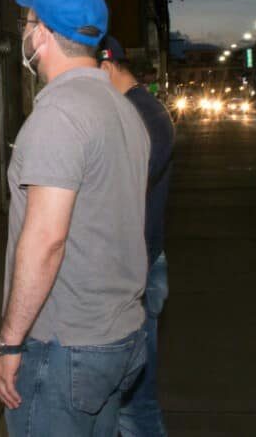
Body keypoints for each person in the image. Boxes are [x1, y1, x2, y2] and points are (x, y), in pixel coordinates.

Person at [0, 0, 150, 435]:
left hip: (65, 346)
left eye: (28, 23)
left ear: (42, 34)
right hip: (119, 336)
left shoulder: (58, 116)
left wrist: (9, 343)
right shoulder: (122, 109)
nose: (25, 33)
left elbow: (45, 241)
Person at [100, 37, 175, 437]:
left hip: (137, 272)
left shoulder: (140, 115)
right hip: (138, 266)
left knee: (134, 405)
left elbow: (120, 190)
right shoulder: (138, 110)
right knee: (120, 402)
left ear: (106, 67)